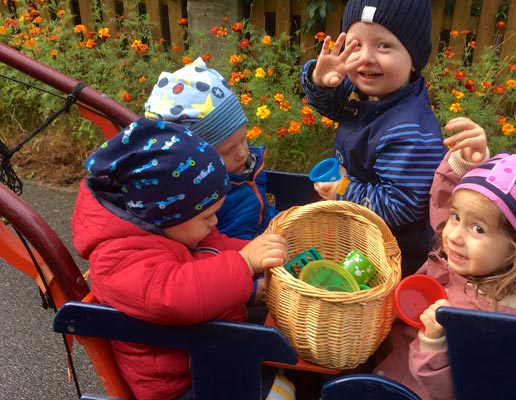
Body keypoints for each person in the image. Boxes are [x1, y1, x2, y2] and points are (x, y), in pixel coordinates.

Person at [71, 118, 295, 400]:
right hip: (182, 383)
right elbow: (176, 295)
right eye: (206, 216)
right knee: (280, 391)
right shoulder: (118, 258)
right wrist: (245, 264)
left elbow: (218, 248)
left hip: (209, 352)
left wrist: (256, 252)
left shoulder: (177, 232)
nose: (214, 223)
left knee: (288, 355)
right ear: (164, 214)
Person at [372, 117, 516, 400]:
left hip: (411, 385)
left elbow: (468, 389)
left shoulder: (514, 324)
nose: (452, 234)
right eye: (456, 217)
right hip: (391, 351)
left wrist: (434, 346)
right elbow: (460, 208)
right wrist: (467, 164)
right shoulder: (486, 258)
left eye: (477, 228)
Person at [301, 0, 447, 275]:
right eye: (355, 45)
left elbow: (402, 206)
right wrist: (320, 82)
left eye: (383, 45)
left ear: (414, 59)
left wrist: (343, 189)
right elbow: (331, 105)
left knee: (355, 304)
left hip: (390, 255)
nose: (366, 57)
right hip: (359, 235)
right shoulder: (370, 92)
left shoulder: (410, 131)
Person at [144, 57, 278, 305]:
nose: (242, 153)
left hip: (259, 251)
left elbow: (259, 213)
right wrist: (247, 287)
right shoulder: (194, 198)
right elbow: (205, 263)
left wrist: (282, 225)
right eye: (227, 151)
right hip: (236, 280)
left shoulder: (245, 165)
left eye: (244, 139)